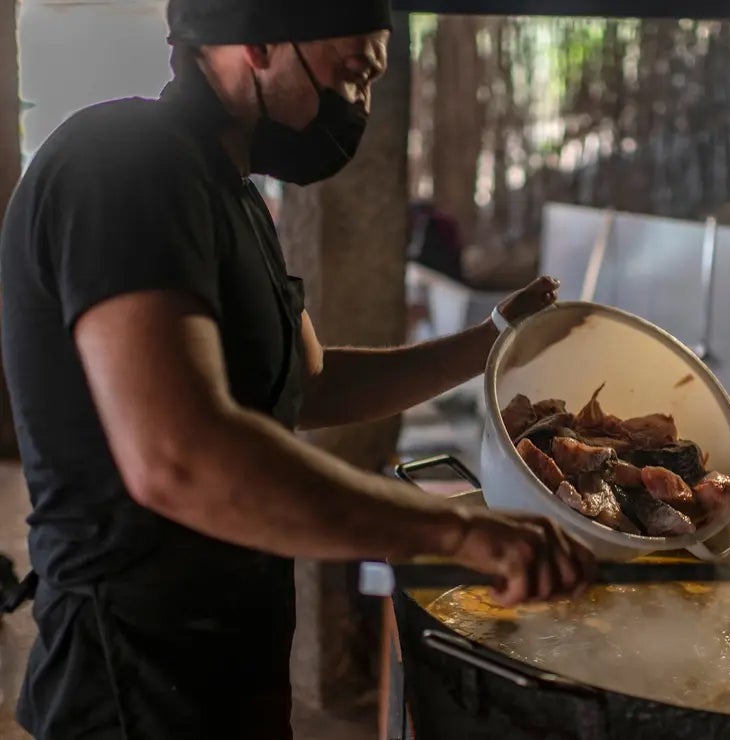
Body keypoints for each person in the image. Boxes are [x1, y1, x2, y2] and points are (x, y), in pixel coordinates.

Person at [0, 0, 595, 737]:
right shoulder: (124, 168)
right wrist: (454, 530)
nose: (361, 106)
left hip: (226, 657)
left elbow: (307, 384)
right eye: (352, 75)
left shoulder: (233, 196)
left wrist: (491, 342)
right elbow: (177, 457)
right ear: (256, 44)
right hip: (131, 677)